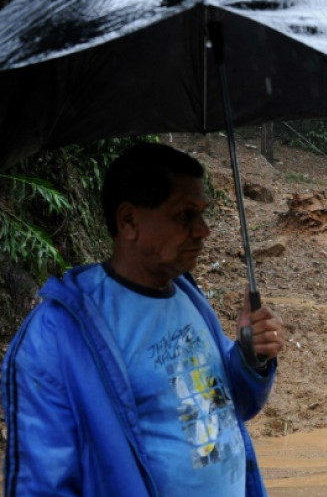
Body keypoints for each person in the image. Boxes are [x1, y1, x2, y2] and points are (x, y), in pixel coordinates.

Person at [1, 143, 285, 496]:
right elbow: (44, 482)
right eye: (185, 215)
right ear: (129, 221)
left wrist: (249, 357)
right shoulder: (59, 334)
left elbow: (225, 408)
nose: (203, 231)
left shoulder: (187, 296)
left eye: (202, 213)